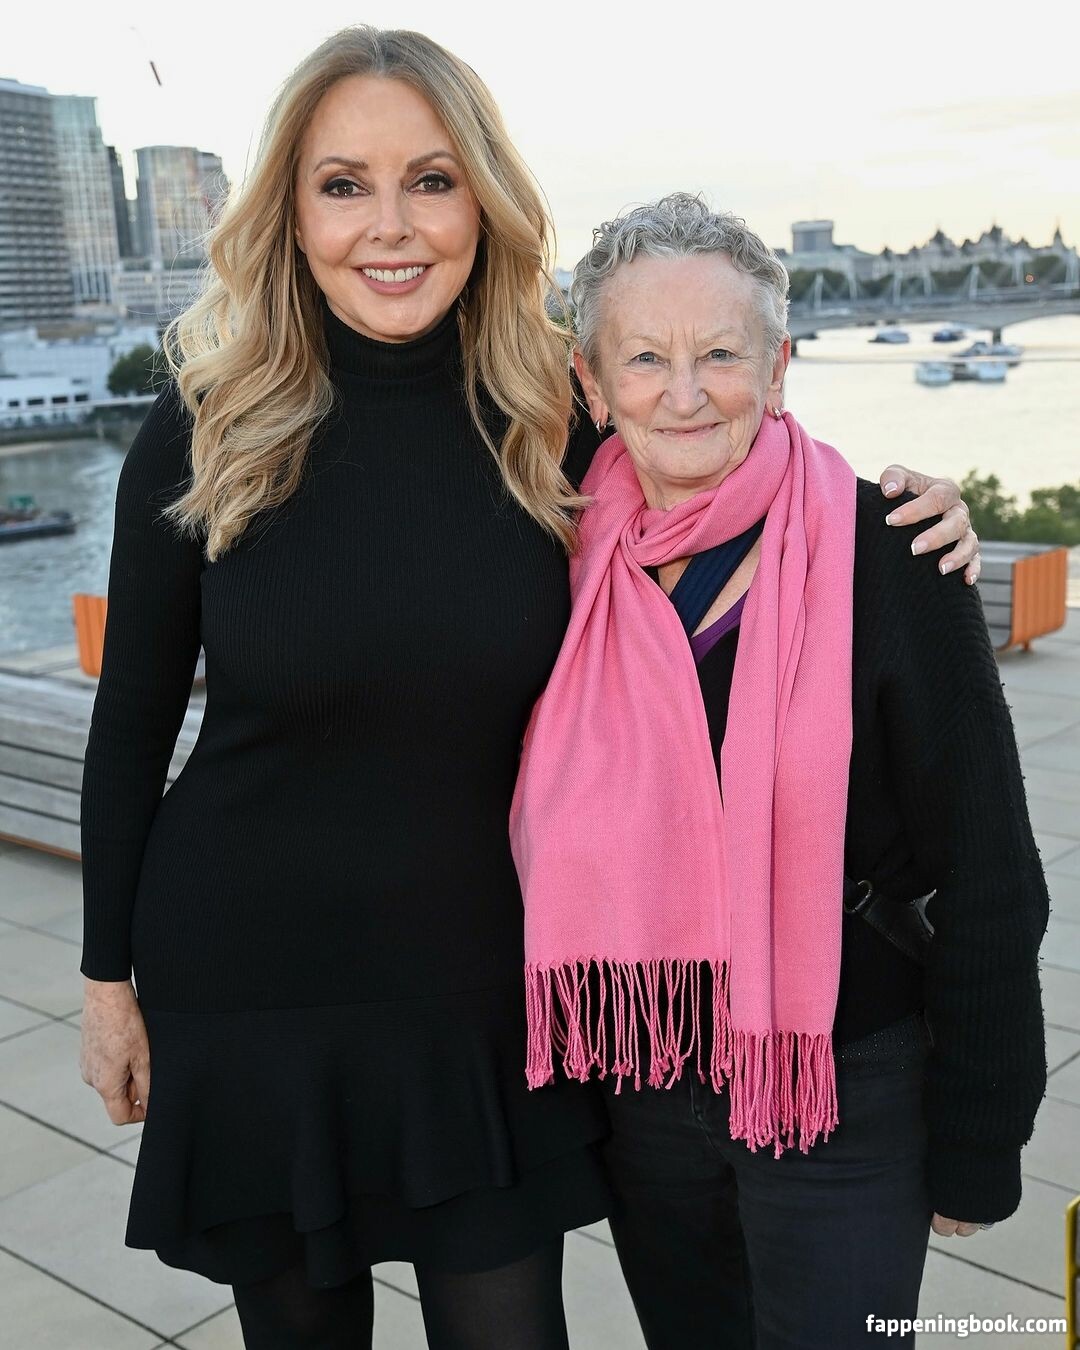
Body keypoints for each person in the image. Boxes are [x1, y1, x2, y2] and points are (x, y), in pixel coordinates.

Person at [78, 28, 980, 1350]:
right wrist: (107, 982)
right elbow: (131, 726)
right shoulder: (204, 417)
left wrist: (906, 509)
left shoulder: (548, 408)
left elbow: (730, 440)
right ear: (292, 211)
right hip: (251, 979)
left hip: (478, 983)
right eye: (344, 184)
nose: (391, 225)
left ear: (483, 199)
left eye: (432, 180)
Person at [511, 194, 1047, 1350]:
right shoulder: (554, 554)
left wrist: (982, 1136)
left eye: (721, 353)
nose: (685, 393)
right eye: (643, 358)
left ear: (780, 365)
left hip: (846, 1084)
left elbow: (991, 868)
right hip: (648, 1083)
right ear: (591, 382)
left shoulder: (889, 552)